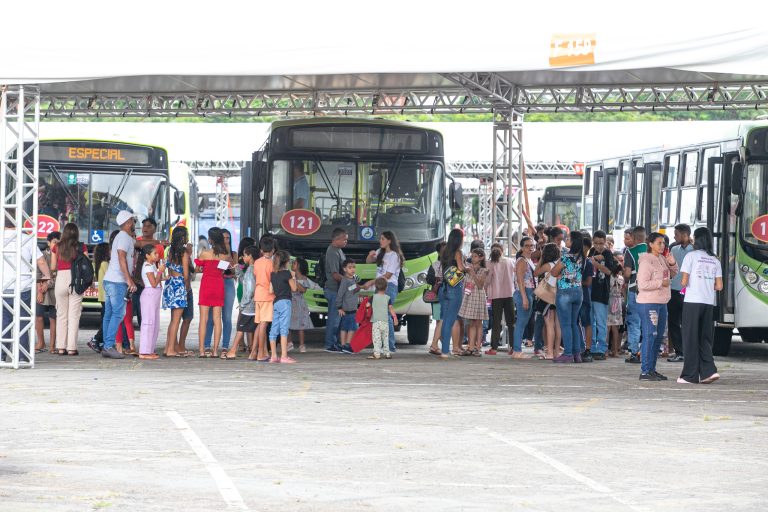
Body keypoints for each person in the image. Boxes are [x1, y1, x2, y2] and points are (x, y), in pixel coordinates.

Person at [1, 213, 53, 363]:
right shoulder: (27, 238)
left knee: (4, 321)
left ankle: (2, 355)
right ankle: (22, 355)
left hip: (3, 287)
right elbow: (41, 262)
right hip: (23, 287)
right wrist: (46, 277)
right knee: (22, 320)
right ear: (17, 222)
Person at [678, 227, 723, 384]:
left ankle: (689, 376)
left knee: (690, 338)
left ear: (696, 239)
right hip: (708, 302)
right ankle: (708, 372)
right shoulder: (715, 259)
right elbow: (719, 286)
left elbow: (683, 282)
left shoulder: (691, 256)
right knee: (704, 338)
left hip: (692, 302)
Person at [636, 232, 678, 381]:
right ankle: (645, 370)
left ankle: (652, 369)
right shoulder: (646, 261)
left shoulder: (662, 258)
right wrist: (660, 283)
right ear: (651, 244)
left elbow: (673, 274)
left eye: (664, 243)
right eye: (659, 243)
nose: (662, 246)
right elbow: (642, 284)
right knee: (650, 335)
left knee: (658, 337)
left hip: (662, 303)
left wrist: (672, 262)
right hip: (649, 303)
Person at [101, 211, 138, 359]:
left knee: (109, 315)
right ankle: (109, 346)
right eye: (133, 221)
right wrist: (129, 280)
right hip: (117, 282)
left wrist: (158, 243)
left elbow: (139, 243)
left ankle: (106, 345)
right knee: (118, 313)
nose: (135, 224)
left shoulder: (123, 237)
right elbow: (122, 258)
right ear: (128, 222)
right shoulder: (124, 237)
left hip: (110, 279)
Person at [50, 222, 88, 356]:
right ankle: (71, 348)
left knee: (61, 315)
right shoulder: (81, 246)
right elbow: (86, 264)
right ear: (76, 233)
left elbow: (53, 267)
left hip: (61, 279)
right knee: (74, 315)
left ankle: (61, 347)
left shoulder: (56, 247)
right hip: (75, 280)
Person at [365, 231, 404, 353]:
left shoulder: (395, 256)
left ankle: (390, 346)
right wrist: (370, 256)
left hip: (389, 286)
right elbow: (368, 262)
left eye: (382, 239)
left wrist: (371, 282)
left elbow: (388, 275)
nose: (380, 241)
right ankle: (382, 345)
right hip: (379, 286)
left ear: (389, 240)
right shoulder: (380, 252)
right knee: (379, 316)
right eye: (380, 239)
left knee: (386, 315)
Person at [551, 231, 585, 363]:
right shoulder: (582, 257)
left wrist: (559, 274)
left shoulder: (566, 257)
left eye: (568, 238)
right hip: (578, 291)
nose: (566, 240)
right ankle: (577, 353)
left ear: (574, 241)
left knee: (565, 324)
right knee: (574, 323)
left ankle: (568, 353)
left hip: (565, 291)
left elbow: (554, 272)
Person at [195, 228, 229, 358]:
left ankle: (202, 351)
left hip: (206, 286)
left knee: (203, 319)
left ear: (210, 239)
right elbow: (222, 272)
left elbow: (198, 269)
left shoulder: (204, 253)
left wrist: (203, 268)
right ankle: (215, 351)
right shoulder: (224, 255)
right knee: (217, 319)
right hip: (218, 286)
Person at [204, 228, 237, 352]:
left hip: (228, 283)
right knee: (212, 315)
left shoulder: (232, 253)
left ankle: (225, 345)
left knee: (227, 316)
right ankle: (207, 344)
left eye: (228, 238)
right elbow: (214, 269)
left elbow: (234, 271)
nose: (226, 240)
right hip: (216, 283)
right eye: (223, 238)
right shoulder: (213, 253)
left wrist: (229, 257)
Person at [225, 245, 258, 359]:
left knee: (241, 328)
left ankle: (233, 350)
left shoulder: (250, 270)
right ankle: (254, 351)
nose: (243, 257)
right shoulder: (254, 269)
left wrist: (243, 304)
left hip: (249, 306)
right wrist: (238, 268)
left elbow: (249, 290)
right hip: (256, 305)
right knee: (255, 329)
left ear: (250, 256)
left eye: (245, 255)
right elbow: (243, 279)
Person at [162, 226, 190, 357]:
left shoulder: (170, 251)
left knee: (173, 319)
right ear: (183, 237)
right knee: (176, 320)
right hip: (179, 284)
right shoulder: (184, 252)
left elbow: (168, 269)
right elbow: (185, 273)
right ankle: (171, 349)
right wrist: (187, 287)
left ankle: (168, 347)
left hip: (170, 283)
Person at [437, 228, 465, 358]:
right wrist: (468, 268)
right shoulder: (457, 252)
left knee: (445, 320)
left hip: (444, 288)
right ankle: (445, 352)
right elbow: (460, 268)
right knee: (450, 320)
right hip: (455, 287)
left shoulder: (445, 251)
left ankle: (445, 350)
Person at [668, 223, 693, 363]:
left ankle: (689, 351)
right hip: (673, 290)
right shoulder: (674, 249)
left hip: (688, 292)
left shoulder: (694, 251)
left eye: (676, 234)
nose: (674, 236)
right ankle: (679, 352)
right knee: (673, 322)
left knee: (687, 322)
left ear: (685, 234)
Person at [588, 231, 614, 360]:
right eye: (596, 243)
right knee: (591, 321)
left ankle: (602, 347)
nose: (598, 246)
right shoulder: (591, 251)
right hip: (590, 291)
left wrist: (596, 264)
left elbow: (609, 271)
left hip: (602, 292)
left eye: (601, 243)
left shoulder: (608, 253)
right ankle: (592, 346)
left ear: (605, 242)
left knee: (601, 322)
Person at [485, 243, 515, 356]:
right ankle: (513, 347)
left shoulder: (490, 263)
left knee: (496, 322)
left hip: (496, 296)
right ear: (503, 250)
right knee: (511, 322)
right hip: (509, 294)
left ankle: (494, 348)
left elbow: (487, 281)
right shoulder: (510, 261)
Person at [623, 226, 647, 364]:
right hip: (650, 292)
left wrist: (624, 279)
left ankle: (634, 352)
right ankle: (645, 351)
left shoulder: (630, 252)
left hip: (634, 290)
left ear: (633, 237)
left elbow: (627, 274)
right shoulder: (651, 251)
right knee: (647, 323)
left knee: (634, 323)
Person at [458, 248, 488, 356]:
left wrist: (472, 273)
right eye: (472, 255)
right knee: (470, 323)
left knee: (478, 323)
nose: (473, 258)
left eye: (475, 256)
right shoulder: (468, 267)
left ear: (481, 258)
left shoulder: (484, 270)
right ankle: (470, 347)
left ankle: (478, 348)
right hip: (469, 295)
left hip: (478, 296)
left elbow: (480, 285)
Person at [269, 249, 297, 363]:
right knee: (284, 329)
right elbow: (294, 289)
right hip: (285, 302)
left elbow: (270, 290)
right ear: (286, 262)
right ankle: (284, 356)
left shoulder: (272, 274)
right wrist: (294, 277)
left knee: (274, 329)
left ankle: (274, 356)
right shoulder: (287, 273)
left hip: (276, 302)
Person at [534, 243, 561, 360]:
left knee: (549, 325)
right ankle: (556, 351)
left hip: (547, 297)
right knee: (558, 326)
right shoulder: (560, 264)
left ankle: (549, 352)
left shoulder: (547, 265)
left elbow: (536, 272)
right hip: (558, 296)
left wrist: (541, 258)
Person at [138, 245, 165, 360]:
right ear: (147, 255)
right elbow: (153, 283)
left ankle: (149, 349)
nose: (157, 255)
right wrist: (159, 272)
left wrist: (162, 276)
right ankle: (144, 351)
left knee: (155, 324)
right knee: (148, 323)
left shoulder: (153, 265)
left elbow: (157, 280)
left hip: (154, 296)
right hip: (149, 295)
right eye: (154, 253)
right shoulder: (147, 266)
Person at [323, 228, 348, 352]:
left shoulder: (339, 250)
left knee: (338, 319)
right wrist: (348, 282)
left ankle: (335, 342)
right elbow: (335, 274)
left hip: (339, 290)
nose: (346, 242)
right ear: (336, 239)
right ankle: (330, 344)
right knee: (334, 319)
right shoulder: (332, 252)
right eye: (344, 239)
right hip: (333, 290)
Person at [251, 236, 276, 361]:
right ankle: (260, 353)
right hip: (267, 296)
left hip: (258, 294)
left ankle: (254, 352)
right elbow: (273, 281)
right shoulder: (271, 264)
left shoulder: (257, 262)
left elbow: (255, 276)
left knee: (260, 324)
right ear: (272, 250)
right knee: (263, 325)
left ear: (261, 250)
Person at [35, 231, 60, 354]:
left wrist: (47, 284)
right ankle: (41, 342)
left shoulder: (61, 256)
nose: (56, 245)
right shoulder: (42, 255)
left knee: (53, 318)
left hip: (55, 292)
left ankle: (52, 346)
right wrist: (40, 291)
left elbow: (59, 275)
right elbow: (38, 273)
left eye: (58, 243)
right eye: (54, 242)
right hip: (41, 291)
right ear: (48, 243)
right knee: (38, 316)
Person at [511, 237, 536, 359]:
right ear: (521, 248)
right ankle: (516, 350)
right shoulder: (522, 261)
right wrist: (524, 297)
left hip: (528, 292)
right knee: (521, 322)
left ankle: (516, 349)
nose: (530, 248)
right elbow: (520, 281)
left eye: (532, 245)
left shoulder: (528, 260)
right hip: (524, 292)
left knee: (523, 322)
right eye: (527, 246)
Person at [291, 257, 317, 353]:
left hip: (300, 303)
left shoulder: (303, 278)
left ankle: (302, 344)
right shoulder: (289, 276)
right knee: (288, 323)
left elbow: (303, 290)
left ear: (299, 266)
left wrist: (294, 280)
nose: (292, 265)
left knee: (301, 325)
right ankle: (289, 342)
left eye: (294, 263)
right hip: (291, 302)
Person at [368, 277, 398, 360]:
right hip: (385, 322)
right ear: (386, 287)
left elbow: (367, 306)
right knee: (385, 338)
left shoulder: (373, 297)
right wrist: (395, 318)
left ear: (375, 287)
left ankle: (377, 354)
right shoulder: (388, 298)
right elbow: (391, 309)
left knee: (376, 339)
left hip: (376, 322)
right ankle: (387, 353)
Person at [336, 259, 361, 352]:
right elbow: (341, 293)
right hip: (347, 309)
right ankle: (346, 345)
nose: (352, 269)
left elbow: (351, 289)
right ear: (344, 269)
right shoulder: (345, 280)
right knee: (350, 328)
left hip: (352, 308)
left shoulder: (353, 279)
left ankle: (344, 345)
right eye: (350, 268)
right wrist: (339, 307)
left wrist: (357, 286)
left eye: (354, 267)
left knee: (347, 327)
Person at [428, 242, 447, 356]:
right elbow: (428, 279)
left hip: (438, 295)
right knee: (440, 320)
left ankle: (438, 343)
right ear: (439, 252)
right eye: (444, 249)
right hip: (437, 296)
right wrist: (437, 279)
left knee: (440, 320)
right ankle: (434, 345)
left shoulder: (449, 264)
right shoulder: (435, 264)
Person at [578, 235, 594, 362]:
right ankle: (581, 347)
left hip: (584, 297)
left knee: (586, 323)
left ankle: (587, 349)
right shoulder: (576, 261)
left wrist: (575, 282)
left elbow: (588, 282)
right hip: (580, 296)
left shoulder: (588, 263)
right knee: (576, 323)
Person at [607, 262, 625, 357]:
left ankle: (605, 350)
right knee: (615, 328)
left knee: (607, 327)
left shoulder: (609, 277)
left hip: (609, 302)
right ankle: (615, 351)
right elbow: (622, 290)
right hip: (618, 303)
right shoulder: (621, 278)